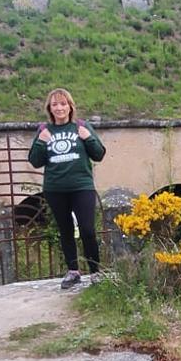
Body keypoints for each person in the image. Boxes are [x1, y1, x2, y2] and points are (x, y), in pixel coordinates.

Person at [27, 88, 107, 289]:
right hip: (55, 189)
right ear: (50, 108)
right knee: (65, 229)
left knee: (88, 229)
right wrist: (40, 142)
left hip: (82, 186)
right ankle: (73, 272)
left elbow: (99, 154)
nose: (59, 108)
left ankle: (95, 271)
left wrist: (88, 137)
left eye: (63, 104)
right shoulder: (44, 130)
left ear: (70, 106)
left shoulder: (81, 126)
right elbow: (35, 161)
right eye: (55, 104)